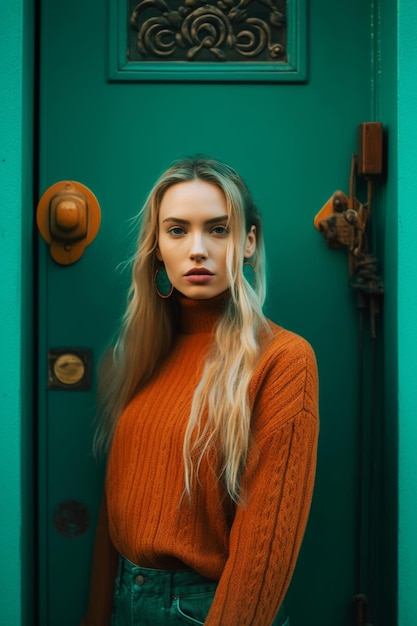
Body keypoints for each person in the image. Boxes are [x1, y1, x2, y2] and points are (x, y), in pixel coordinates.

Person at [81, 157, 319, 626]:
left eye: (217, 229)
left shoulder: (283, 360)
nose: (196, 249)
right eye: (176, 230)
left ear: (248, 241)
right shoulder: (134, 358)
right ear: (157, 248)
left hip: (209, 610)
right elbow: (115, 515)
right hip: (125, 601)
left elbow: (264, 552)